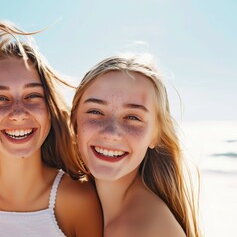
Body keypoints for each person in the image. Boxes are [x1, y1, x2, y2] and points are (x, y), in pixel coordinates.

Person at [0, 20, 103, 237]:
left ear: (49, 109)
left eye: (32, 96)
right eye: (0, 98)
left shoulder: (79, 199)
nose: (19, 113)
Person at [71, 53, 200, 237]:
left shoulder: (135, 229)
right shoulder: (88, 206)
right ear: (75, 122)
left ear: (155, 135)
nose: (111, 133)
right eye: (96, 111)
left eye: (132, 117)